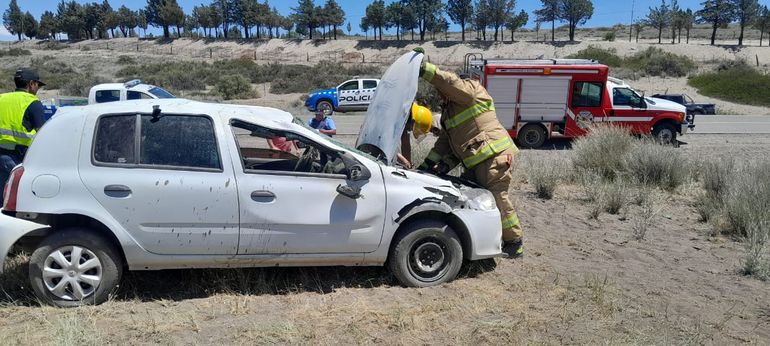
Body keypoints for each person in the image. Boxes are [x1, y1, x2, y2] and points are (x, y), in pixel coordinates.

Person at [414, 49, 524, 258]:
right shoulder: (450, 112)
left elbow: (449, 83)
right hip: (476, 162)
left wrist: (425, 70)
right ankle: (488, 239)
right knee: (470, 199)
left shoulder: (471, 92)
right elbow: (446, 144)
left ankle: (514, 242)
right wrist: (428, 168)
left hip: (494, 158)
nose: (441, 95)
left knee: (497, 198)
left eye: (443, 91)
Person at [1, 68, 46, 203]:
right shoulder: (32, 102)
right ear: (31, 84)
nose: (38, 88)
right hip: (18, 157)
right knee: (19, 197)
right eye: (38, 84)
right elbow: (43, 133)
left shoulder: (1, 98)